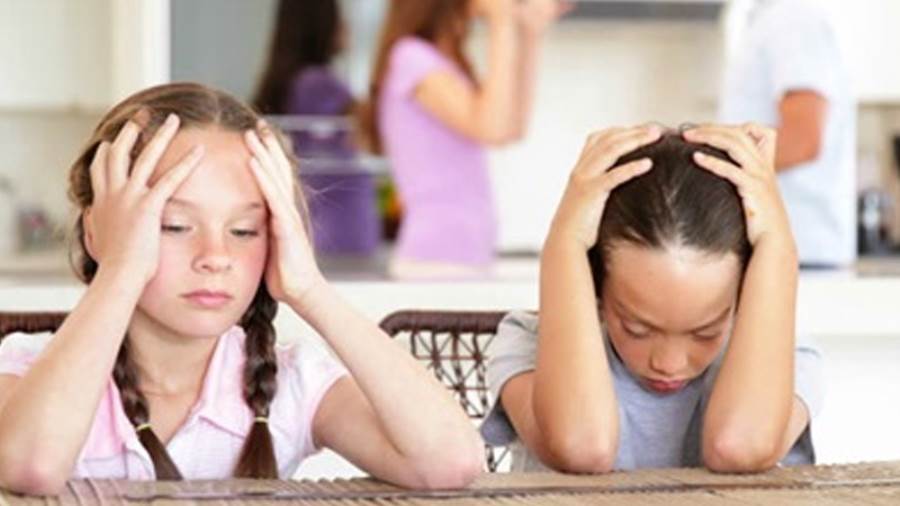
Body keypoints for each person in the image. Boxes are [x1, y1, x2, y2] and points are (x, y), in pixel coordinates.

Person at [0, 83, 484, 494]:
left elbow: (450, 463)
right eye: (174, 225)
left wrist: (309, 288)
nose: (215, 256)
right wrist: (121, 269)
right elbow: (31, 467)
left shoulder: (291, 383)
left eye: (244, 230)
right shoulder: (23, 368)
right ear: (96, 232)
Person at [481, 124, 823, 472]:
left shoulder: (788, 360)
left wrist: (776, 243)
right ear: (596, 286)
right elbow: (582, 448)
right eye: (637, 330)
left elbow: (738, 448)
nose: (669, 364)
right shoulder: (528, 343)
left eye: (705, 332)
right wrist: (565, 242)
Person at [361, 0, 567, 279]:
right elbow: (491, 128)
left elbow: (511, 129)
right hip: (435, 256)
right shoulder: (411, 58)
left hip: (463, 254)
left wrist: (531, 36)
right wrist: (501, 22)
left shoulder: (444, 62)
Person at [719, 0, 856, 268]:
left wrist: (713, 174)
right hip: (785, 253)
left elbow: (802, 140)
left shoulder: (793, 20)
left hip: (798, 254)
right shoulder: (769, 19)